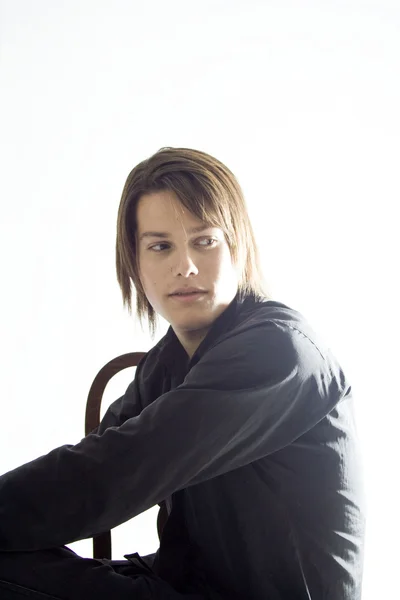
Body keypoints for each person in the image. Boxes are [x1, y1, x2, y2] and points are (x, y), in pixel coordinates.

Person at [0, 147, 365, 599]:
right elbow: (97, 457)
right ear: (135, 264)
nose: (185, 266)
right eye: (160, 246)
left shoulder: (277, 350)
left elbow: (119, 469)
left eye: (204, 240)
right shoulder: (167, 362)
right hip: (187, 583)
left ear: (237, 244)